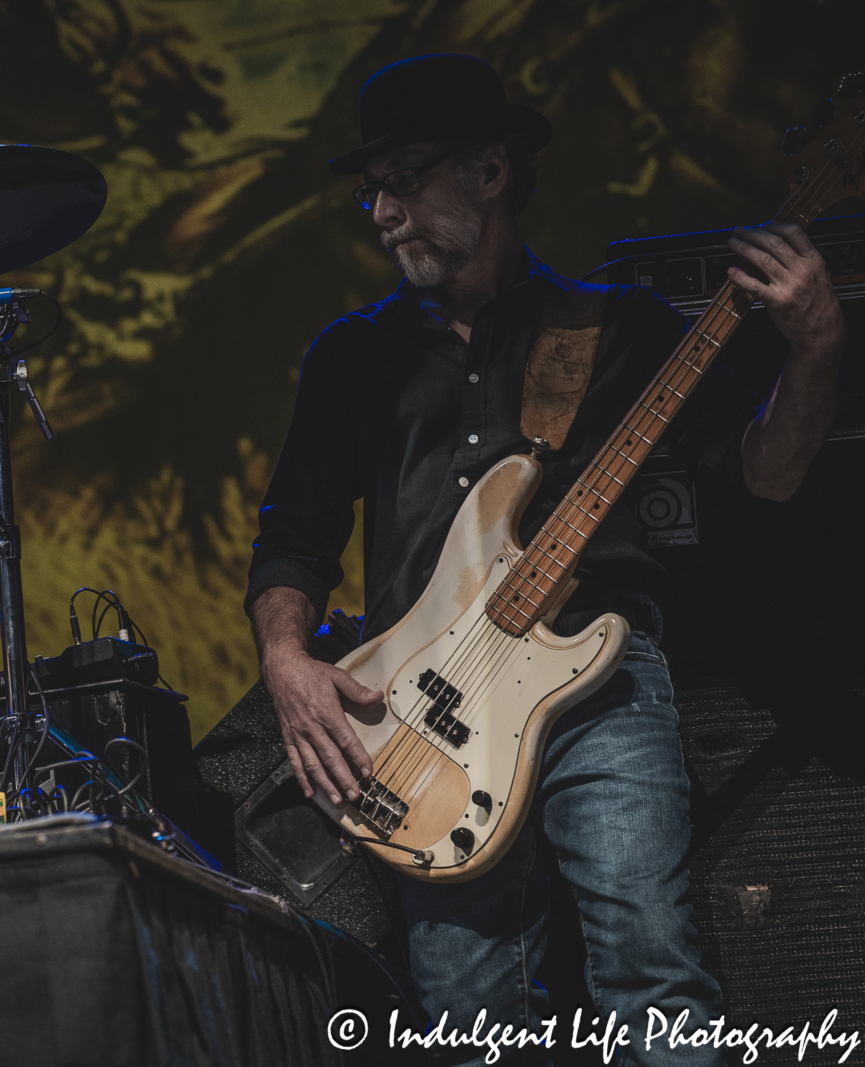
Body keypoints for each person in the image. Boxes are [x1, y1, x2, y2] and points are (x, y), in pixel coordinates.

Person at [246, 55, 841, 1064]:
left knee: (650, 966)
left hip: (597, 682)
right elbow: (292, 535)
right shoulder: (352, 357)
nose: (382, 211)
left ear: (490, 170)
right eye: (371, 188)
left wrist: (816, 346)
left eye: (405, 178)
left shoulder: (616, 328)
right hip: (425, 713)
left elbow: (769, 478)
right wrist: (287, 661)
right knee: (467, 1008)